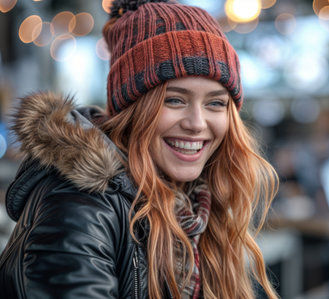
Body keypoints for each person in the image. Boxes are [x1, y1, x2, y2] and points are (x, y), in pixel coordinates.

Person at [0, 1, 279, 298]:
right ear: (132, 110)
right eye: (174, 100)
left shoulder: (198, 203)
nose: (198, 124)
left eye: (215, 103)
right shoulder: (80, 205)